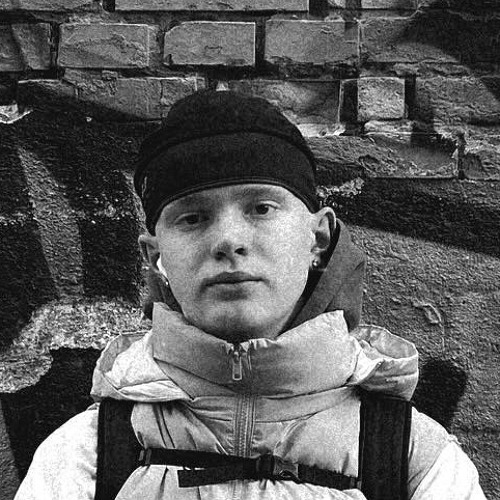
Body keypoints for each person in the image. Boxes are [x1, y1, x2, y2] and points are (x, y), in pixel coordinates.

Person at [14, 90, 486, 500]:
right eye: (192, 218)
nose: (228, 241)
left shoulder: (412, 456)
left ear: (319, 239)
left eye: (261, 208)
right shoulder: (86, 454)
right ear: (155, 256)